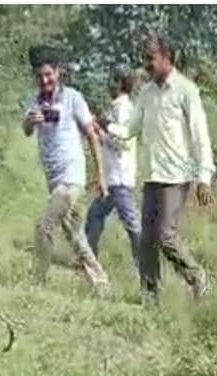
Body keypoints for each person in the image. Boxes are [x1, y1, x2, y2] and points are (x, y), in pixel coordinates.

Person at [107, 33, 214, 304]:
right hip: (152, 175)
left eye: (150, 58)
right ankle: (150, 299)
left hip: (176, 177)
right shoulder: (145, 93)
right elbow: (130, 131)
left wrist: (204, 177)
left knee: (165, 235)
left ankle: (196, 276)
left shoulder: (186, 90)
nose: (146, 64)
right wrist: (105, 125)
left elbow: (200, 136)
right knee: (147, 241)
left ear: (167, 57)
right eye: (144, 58)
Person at [22, 46, 110, 294]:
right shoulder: (35, 102)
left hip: (71, 178)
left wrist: (101, 176)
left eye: (48, 74)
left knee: (44, 227)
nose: (44, 80)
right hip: (53, 179)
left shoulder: (73, 98)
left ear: (58, 72)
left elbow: (91, 136)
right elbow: (27, 131)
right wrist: (29, 122)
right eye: (39, 76)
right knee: (75, 235)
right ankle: (102, 284)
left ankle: (37, 284)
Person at [84, 70, 141, 273]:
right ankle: (89, 262)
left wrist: (103, 125)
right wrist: (99, 131)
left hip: (119, 177)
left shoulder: (123, 109)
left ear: (119, 84)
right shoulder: (118, 107)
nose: (108, 85)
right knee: (94, 217)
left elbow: (124, 141)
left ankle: (145, 266)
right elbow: (112, 141)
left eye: (112, 81)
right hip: (113, 178)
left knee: (133, 226)